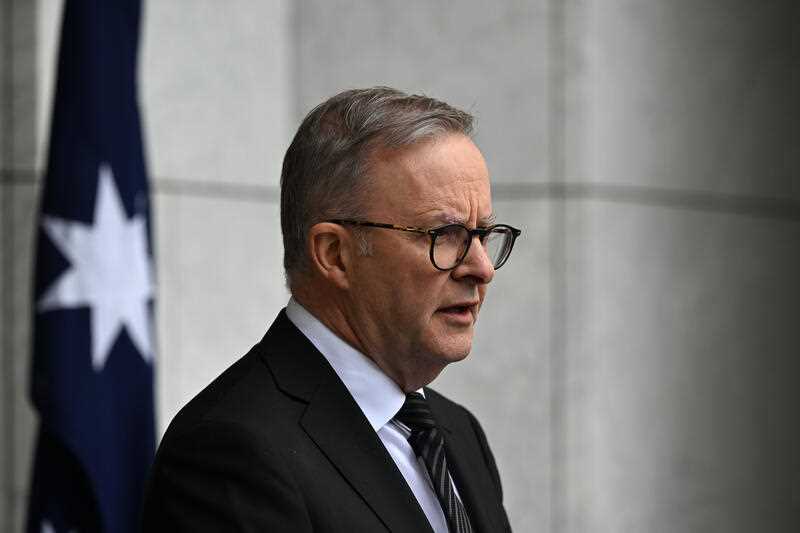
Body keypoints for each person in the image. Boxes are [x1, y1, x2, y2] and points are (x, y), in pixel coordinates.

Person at [141, 87, 520, 532]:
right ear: (335, 254)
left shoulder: (458, 432)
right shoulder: (230, 449)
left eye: (483, 234)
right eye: (445, 234)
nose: (480, 268)